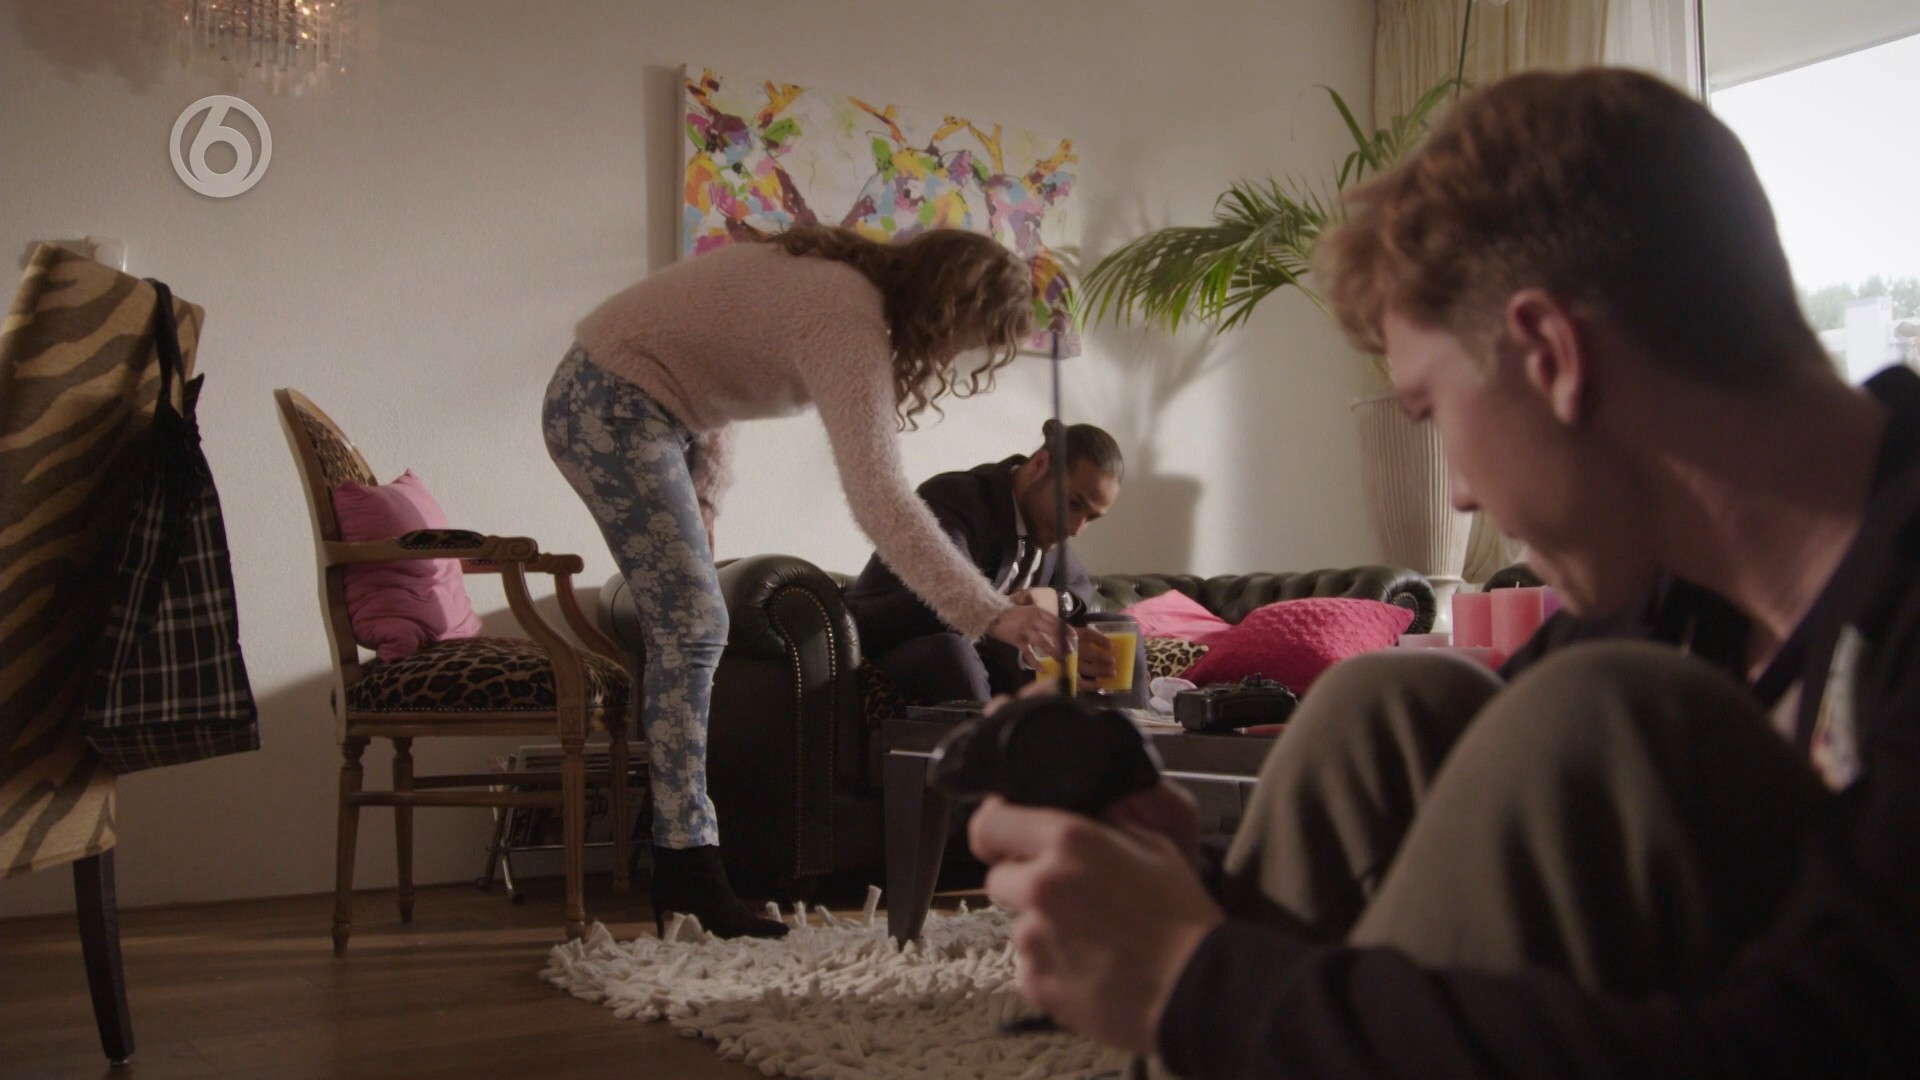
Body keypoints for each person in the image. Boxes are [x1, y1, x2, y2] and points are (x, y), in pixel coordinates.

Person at [967, 67, 1920, 1076]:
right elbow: (1445, 856)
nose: (1460, 494)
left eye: (1433, 413)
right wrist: (1188, 881)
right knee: (1389, 708)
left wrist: (1190, 982)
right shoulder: (1661, 595)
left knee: (1591, 708)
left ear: (1550, 354)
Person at [545, 226, 1065, 938]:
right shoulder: (843, 311)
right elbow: (881, 497)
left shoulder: (835, 291)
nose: (951, 355)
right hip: (607, 399)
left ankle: (686, 862)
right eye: (965, 336)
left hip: (644, 407)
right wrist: (990, 612)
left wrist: (705, 504)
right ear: (946, 306)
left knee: (693, 624)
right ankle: (686, 865)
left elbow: (715, 386)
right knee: (694, 629)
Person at [846, 420, 1134, 705]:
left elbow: (1081, 586)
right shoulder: (953, 498)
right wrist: (1026, 636)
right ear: (1040, 464)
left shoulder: (1048, 525)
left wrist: (1056, 600)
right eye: (1073, 503)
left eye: (1091, 517)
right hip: (901, 648)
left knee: (1115, 632)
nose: (1075, 528)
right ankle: (990, 737)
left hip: (987, 662)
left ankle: (1132, 734)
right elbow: (948, 601)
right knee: (953, 652)